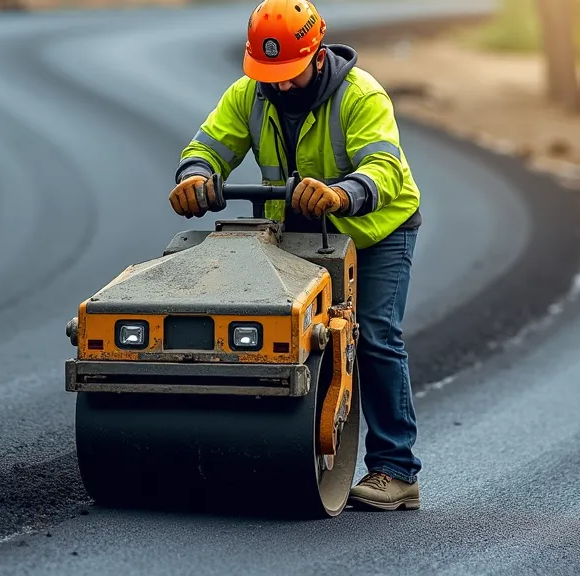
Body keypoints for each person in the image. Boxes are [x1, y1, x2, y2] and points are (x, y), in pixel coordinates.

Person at [168, 0, 422, 511]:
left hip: (373, 232)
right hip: (296, 232)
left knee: (372, 336)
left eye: (290, 73)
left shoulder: (360, 95)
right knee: (280, 330)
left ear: (318, 54)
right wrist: (193, 176)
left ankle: (397, 471)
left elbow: (385, 168)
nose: (280, 85)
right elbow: (208, 146)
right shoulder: (248, 95)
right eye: (270, 74)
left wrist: (343, 193)